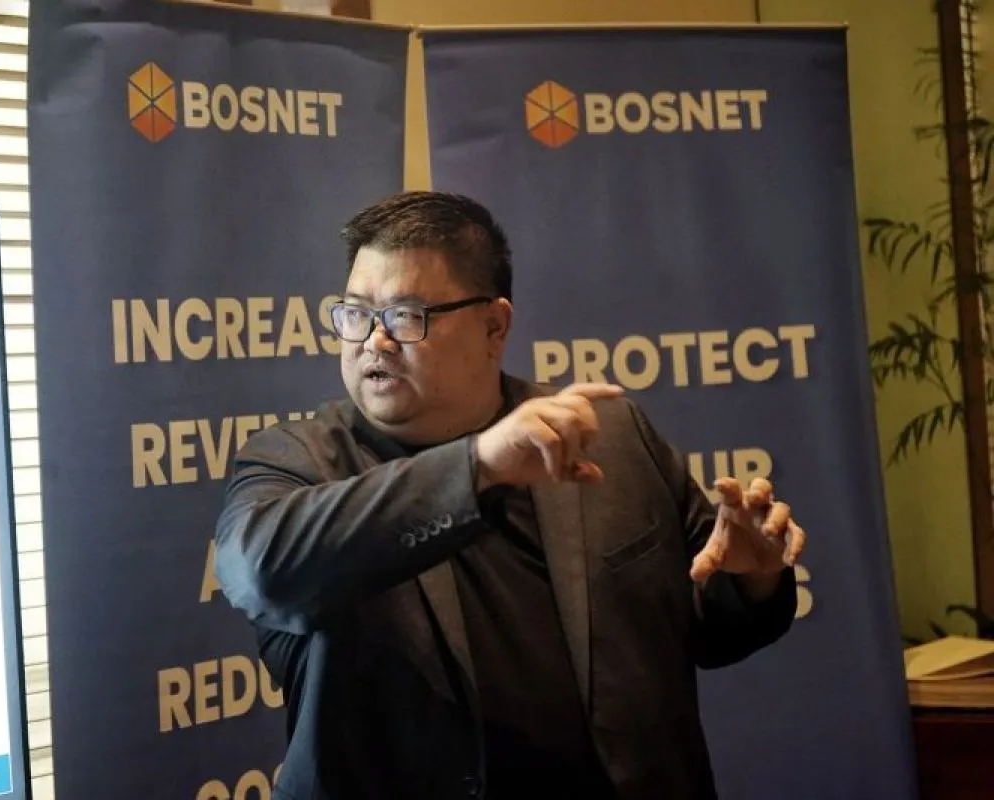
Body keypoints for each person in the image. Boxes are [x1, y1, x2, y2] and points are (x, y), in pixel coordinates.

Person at [214, 191, 805, 799]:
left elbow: (709, 631)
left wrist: (751, 581)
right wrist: (478, 466)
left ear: (494, 327)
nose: (375, 341)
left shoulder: (611, 437)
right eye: (356, 313)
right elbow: (260, 573)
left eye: (406, 316)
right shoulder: (299, 460)